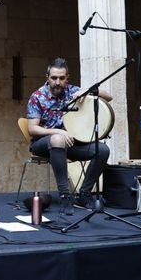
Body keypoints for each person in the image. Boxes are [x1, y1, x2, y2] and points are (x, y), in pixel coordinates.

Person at [26, 57, 112, 215]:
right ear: (48, 78)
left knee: (103, 149)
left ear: (67, 78)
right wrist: (59, 131)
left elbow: (109, 97)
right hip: (43, 143)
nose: (57, 82)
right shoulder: (37, 96)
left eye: (61, 78)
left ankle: (84, 194)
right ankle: (65, 195)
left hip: (70, 144)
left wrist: (89, 91)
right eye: (54, 78)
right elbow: (32, 129)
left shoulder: (72, 91)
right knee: (58, 139)